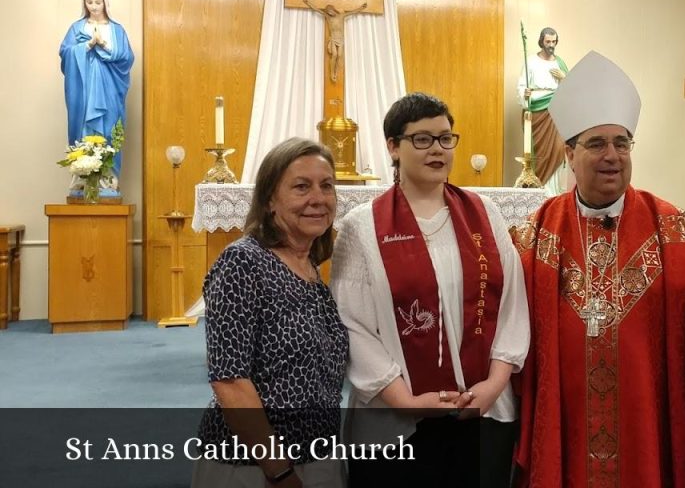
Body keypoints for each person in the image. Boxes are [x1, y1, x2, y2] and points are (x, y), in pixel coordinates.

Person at [512, 52, 685, 487]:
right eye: (597, 144)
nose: (612, 155)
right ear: (569, 154)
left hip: (646, 426)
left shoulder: (678, 231)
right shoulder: (536, 235)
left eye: (621, 143)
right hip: (566, 423)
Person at [331, 92, 529, 487]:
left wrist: (494, 383)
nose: (437, 149)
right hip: (396, 419)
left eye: (445, 138)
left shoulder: (484, 214)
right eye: (422, 139)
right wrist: (402, 399)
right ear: (393, 146)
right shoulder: (362, 227)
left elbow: (511, 304)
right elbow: (353, 325)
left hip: (481, 408)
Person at [192, 137, 348, 488]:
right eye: (301, 187)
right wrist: (279, 470)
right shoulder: (242, 263)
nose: (318, 199)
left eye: (326, 186)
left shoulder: (310, 264)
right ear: (269, 201)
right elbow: (229, 379)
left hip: (317, 451)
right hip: (253, 466)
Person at [59, 0, 134, 191]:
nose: (93, 6)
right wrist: (88, 45)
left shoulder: (116, 29)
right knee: (84, 125)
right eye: (89, 2)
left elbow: (127, 58)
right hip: (84, 88)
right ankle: (84, 175)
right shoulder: (77, 27)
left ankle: (107, 177)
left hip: (109, 86)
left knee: (110, 126)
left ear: (105, 3)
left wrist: (104, 45)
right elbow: (65, 54)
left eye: (97, 2)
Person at [516, 27, 569, 194]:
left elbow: (571, 91)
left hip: (555, 111)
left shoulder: (559, 63)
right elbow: (522, 85)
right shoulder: (531, 61)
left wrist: (564, 78)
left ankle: (553, 192)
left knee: (558, 149)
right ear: (541, 41)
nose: (551, 45)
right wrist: (525, 94)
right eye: (548, 42)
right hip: (537, 111)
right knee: (539, 153)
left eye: (554, 42)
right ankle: (539, 191)